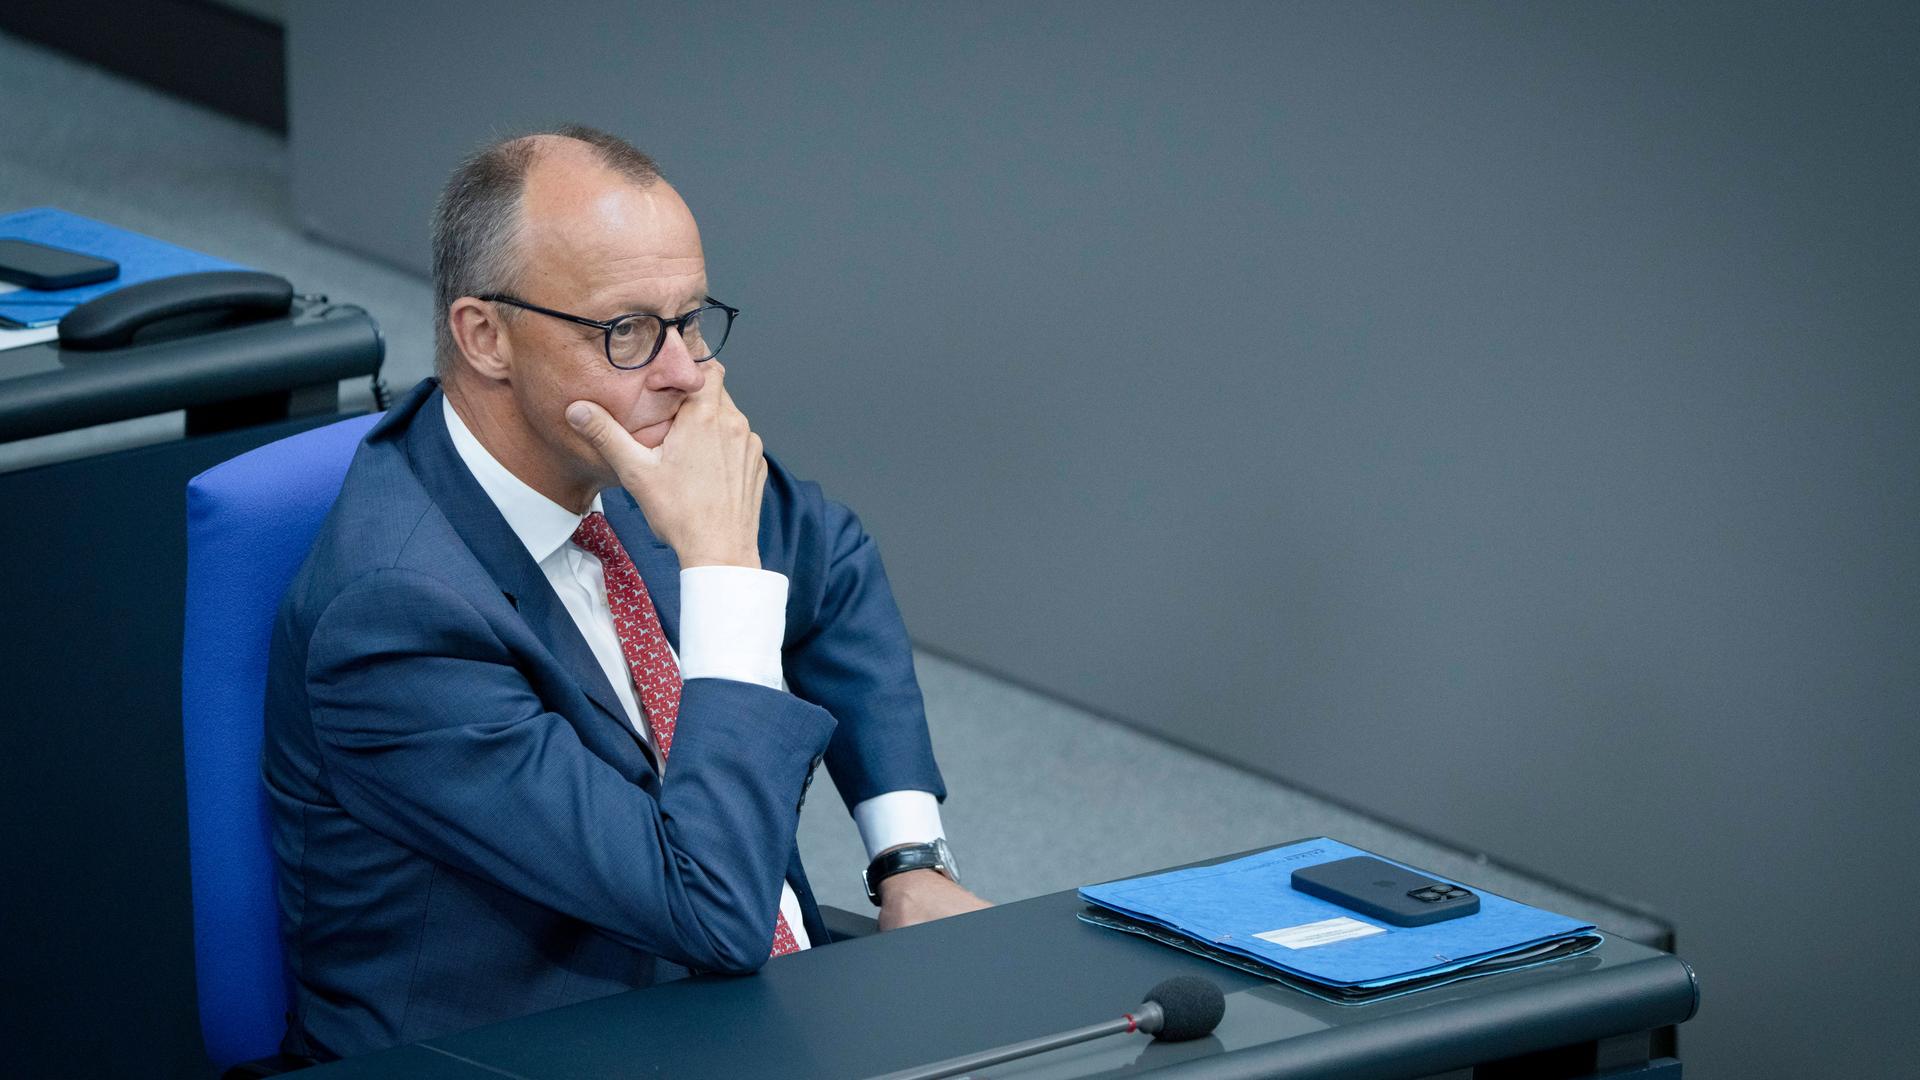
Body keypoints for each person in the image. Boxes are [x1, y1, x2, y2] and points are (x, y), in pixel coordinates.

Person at [263, 124, 987, 1062]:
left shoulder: (620, 453)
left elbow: (831, 561)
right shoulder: (396, 620)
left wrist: (909, 858)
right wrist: (722, 568)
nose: (687, 372)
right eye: (628, 330)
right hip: (551, 1046)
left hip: (747, 1005)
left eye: (689, 319)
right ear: (484, 336)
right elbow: (712, 908)